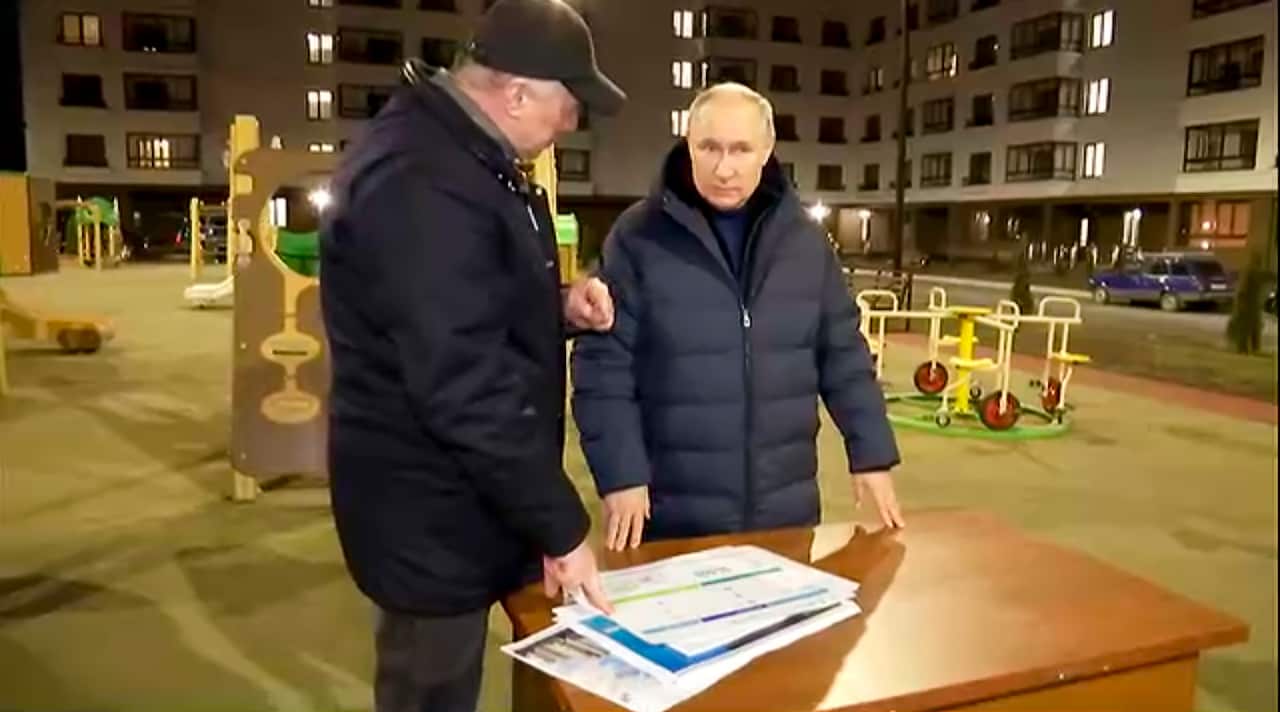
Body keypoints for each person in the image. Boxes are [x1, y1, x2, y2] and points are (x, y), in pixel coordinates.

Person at [318, 1, 626, 710]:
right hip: (428, 515)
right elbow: (462, 381)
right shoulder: (419, 180)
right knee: (433, 692)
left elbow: (461, 302)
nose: (572, 124)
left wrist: (557, 306)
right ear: (516, 93)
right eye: (568, 105)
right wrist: (560, 522)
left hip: (476, 503)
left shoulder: (466, 154)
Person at [571, 83, 904, 551]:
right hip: (671, 516)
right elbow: (603, 367)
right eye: (709, 148)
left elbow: (844, 355)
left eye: (741, 149)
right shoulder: (638, 238)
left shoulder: (806, 243)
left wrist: (870, 454)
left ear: (766, 151)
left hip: (785, 516)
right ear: (688, 144)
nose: (724, 168)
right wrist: (622, 475)